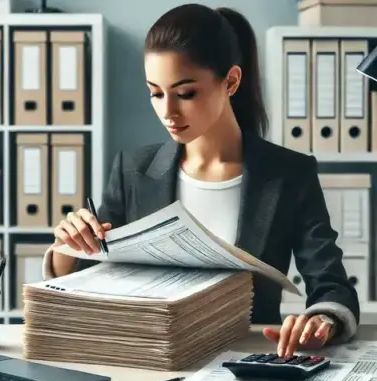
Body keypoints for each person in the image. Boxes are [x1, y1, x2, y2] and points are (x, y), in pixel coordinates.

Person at [42, 4, 359, 358]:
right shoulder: (132, 168)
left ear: (231, 81)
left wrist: (321, 321)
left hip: (249, 358)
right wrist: (66, 249)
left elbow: (331, 284)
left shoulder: (289, 174)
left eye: (186, 93)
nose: (168, 112)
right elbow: (91, 278)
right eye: (156, 92)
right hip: (150, 359)